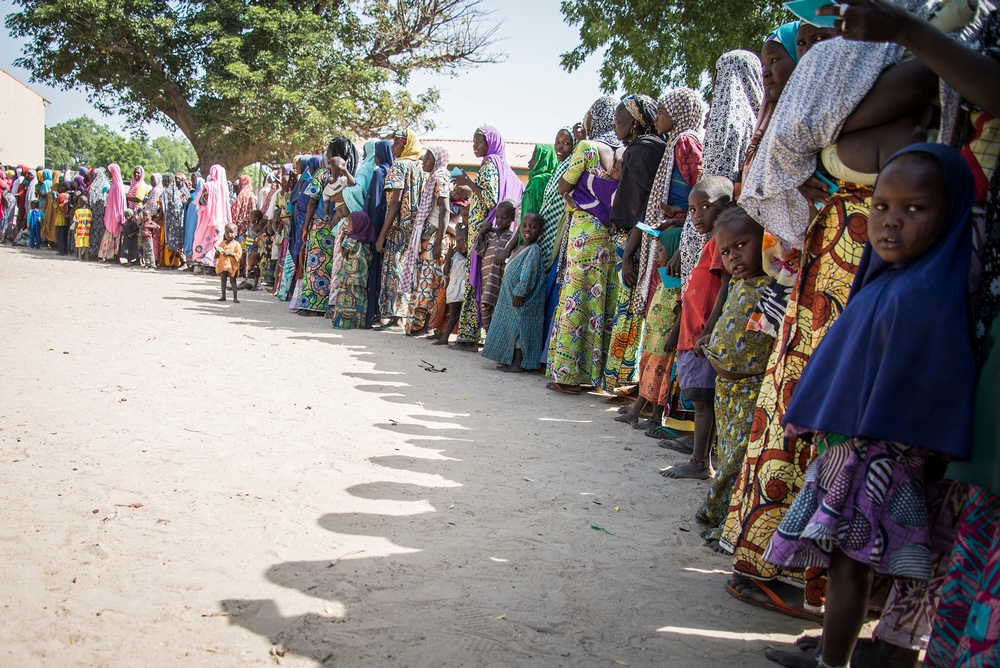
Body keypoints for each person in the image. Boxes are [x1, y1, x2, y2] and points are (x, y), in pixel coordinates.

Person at [761, 144, 975, 668]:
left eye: (915, 209)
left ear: (951, 214)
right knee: (856, 564)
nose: (891, 223)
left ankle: (837, 662)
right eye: (881, 206)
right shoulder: (883, 282)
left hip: (886, 460)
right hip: (854, 452)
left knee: (865, 566)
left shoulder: (931, 295)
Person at [692, 208, 771, 549]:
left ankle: (731, 528)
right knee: (727, 458)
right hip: (727, 391)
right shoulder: (739, 284)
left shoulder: (772, 288)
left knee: (740, 462)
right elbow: (732, 325)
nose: (734, 256)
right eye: (725, 251)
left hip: (751, 391)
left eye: (741, 245)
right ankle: (718, 510)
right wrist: (712, 339)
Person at [660, 177, 730, 480]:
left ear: (725, 206)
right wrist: (678, 332)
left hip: (701, 337)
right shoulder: (709, 244)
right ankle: (702, 457)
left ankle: (700, 462)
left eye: (705, 207)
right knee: (701, 400)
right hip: (691, 335)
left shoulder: (720, 244)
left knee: (704, 402)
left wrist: (709, 330)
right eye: (691, 210)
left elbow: (725, 286)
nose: (697, 215)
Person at [600, 94, 665, 392]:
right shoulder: (643, 150)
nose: (615, 127)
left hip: (635, 242)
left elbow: (644, 209)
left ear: (636, 123)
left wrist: (627, 255)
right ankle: (623, 379)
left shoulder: (642, 153)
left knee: (629, 312)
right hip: (633, 240)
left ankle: (624, 379)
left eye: (620, 121)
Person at [546, 132, 619, 394]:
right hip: (609, 239)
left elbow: (563, 187)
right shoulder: (621, 152)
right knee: (601, 303)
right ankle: (597, 377)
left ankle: (567, 376)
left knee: (576, 299)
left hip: (584, 237)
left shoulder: (587, 147)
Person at [451, 125, 525, 351]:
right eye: (473, 141)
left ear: (490, 143)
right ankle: (472, 336)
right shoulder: (495, 165)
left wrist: (468, 182)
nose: (474, 145)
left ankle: (469, 338)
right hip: (483, 234)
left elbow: (492, 200)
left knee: (477, 285)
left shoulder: (490, 165)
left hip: (483, 235)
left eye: (478, 141)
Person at [613, 227, 681, 429]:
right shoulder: (665, 280)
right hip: (653, 342)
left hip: (664, 345)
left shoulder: (676, 285)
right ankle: (636, 413)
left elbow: (680, 312)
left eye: (661, 250)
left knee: (658, 380)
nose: (657, 256)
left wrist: (673, 337)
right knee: (648, 376)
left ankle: (654, 418)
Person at [482, 211, 546, 372]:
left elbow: (528, 274)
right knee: (512, 330)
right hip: (513, 298)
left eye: (533, 227)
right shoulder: (522, 248)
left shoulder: (533, 250)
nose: (527, 230)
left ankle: (517, 364)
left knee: (519, 331)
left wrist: (520, 292)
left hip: (521, 299)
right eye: (524, 226)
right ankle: (511, 360)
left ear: (541, 231)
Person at [400, 146, 452, 336]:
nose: (424, 159)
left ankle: (425, 325)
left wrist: (438, 243)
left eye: (429, 157)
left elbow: (445, 210)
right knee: (424, 281)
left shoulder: (440, 178)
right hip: (427, 238)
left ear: (438, 160)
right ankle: (421, 325)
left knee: (428, 283)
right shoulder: (432, 178)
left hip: (434, 240)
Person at [376, 129, 425, 328]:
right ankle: (402, 315)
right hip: (413, 229)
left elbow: (394, 203)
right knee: (406, 271)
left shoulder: (399, 166)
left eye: (396, 143)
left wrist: (382, 234)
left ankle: (395, 316)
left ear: (405, 145)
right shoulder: (419, 168)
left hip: (397, 227)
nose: (393, 147)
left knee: (393, 270)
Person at [363, 140, 395, 328]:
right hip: (389, 227)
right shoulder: (393, 171)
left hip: (376, 227)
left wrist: (371, 230)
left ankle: (372, 312)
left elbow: (374, 203)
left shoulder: (378, 172)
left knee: (374, 268)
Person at [328, 212, 376, 329]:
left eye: (349, 224)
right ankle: (357, 323)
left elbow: (344, 254)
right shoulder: (366, 241)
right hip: (361, 278)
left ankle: (343, 322)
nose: (348, 226)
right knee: (358, 301)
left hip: (347, 276)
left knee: (345, 299)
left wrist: (341, 240)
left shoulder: (351, 239)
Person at [477, 199, 516, 333]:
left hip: (499, 278)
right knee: (485, 305)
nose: (499, 221)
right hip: (487, 278)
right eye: (497, 217)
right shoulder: (490, 234)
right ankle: (489, 335)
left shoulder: (511, 238)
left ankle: (495, 338)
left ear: (512, 218)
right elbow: (480, 251)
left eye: (503, 218)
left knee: (498, 307)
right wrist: (482, 234)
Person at [433, 226, 469, 345]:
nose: (461, 244)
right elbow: (446, 272)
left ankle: (462, 339)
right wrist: (448, 256)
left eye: (464, 240)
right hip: (454, 289)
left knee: (465, 315)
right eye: (458, 242)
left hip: (465, 290)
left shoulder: (472, 257)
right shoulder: (455, 256)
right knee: (453, 315)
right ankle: (445, 338)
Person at [192, 165, 231, 270]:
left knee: (202, 237)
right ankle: (214, 262)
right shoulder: (224, 188)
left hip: (206, 218)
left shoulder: (208, 186)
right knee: (216, 240)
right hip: (220, 219)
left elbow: (201, 201)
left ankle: (201, 260)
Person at [520, 144, 559, 222]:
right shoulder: (556, 181)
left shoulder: (536, 182)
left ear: (542, 160)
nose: (529, 162)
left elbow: (528, 216)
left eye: (534, 158)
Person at [98, 164, 126, 262]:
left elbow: (119, 202)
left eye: (110, 172)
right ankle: (109, 255)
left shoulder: (118, 185)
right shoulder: (114, 183)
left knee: (114, 234)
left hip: (115, 214)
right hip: (111, 213)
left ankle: (112, 255)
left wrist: (118, 216)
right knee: (110, 233)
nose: (109, 174)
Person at [159, 173, 186, 268]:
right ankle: (175, 262)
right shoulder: (178, 192)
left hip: (168, 223)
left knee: (168, 241)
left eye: (163, 180)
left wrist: (158, 219)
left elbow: (162, 208)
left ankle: (167, 263)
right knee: (176, 241)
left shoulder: (165, 193)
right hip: (178, 223)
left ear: (166, 181)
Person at [215, 223, 243, 303]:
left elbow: (239, 255)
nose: (229, 234)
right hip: (223, 265)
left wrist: (230, 253)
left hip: (232, 266)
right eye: (227, 232)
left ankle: (235, 297)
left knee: (232, 281)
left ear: (236, 233)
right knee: (223, 280)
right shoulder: (223, 243)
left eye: (231, 232)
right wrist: (218, 250)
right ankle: (223, 296)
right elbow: (218, 255)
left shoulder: (236, 244)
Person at [86, 168, 108, 261]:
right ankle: (100, 253)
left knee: (94, 234)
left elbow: (89, 201)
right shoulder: (105, 186)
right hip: (102, 215)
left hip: (93, 215)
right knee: (100, 234)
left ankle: (93, 252)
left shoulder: (92, 187)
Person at [231, 174, 255, 239]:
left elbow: (235, 211)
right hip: (249, 226)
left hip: (240, 226)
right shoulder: (251, 194)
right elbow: (254, 210)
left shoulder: (241, 195)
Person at [72, 196, 92, 261]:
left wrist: (74, 229)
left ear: (79, 203)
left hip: (79, 230)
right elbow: (91, 220)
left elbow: (76, 221)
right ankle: (86, 257)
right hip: (86, 230)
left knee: (79, 245)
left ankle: (79, 257)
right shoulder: (89, 211)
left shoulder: (77, 211)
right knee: (86, 245)